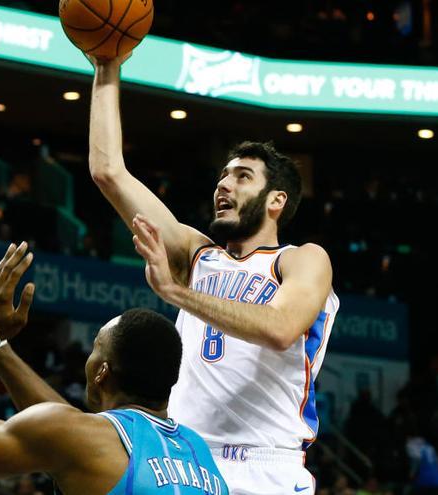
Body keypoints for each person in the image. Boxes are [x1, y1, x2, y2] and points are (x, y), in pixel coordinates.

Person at [86, 54, 339, 494]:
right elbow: (108, 172)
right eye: (223, 176)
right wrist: (107, 66)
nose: (224, 185)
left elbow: (281, 328)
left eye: (242, 177)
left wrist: (174, 292)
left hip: (264, 468)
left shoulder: (303, 259)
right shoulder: (197, 254)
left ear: (276, 201)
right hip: (186, 460)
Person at [0, 244, 229, 495]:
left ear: (102, 372)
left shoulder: (83, 440)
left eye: (94, 348)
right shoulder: (197, 451)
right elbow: (66, 430)